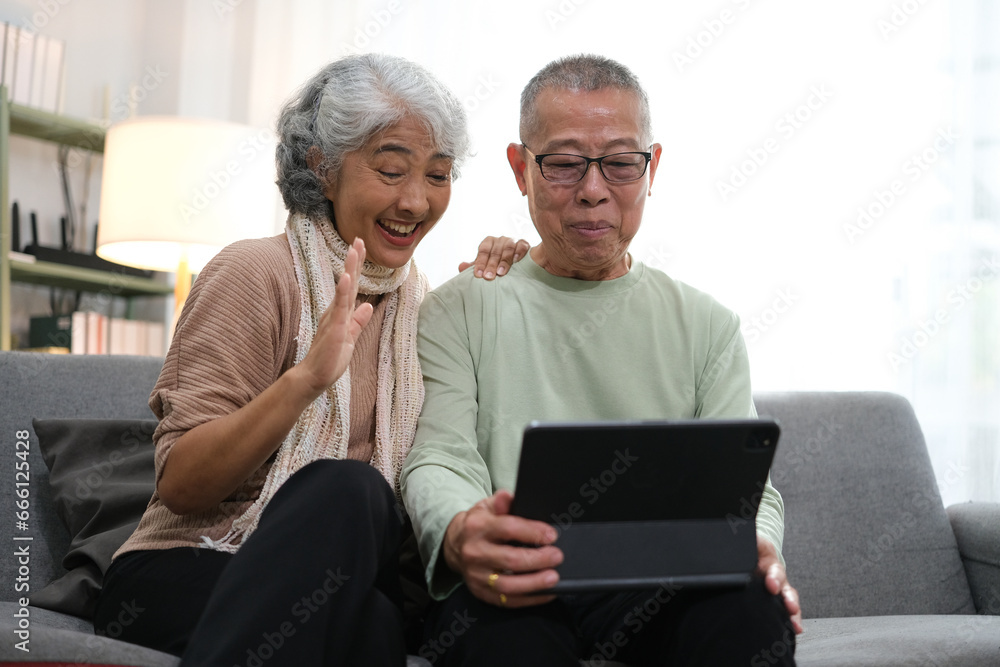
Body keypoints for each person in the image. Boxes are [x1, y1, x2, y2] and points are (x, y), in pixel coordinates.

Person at [93, 53, 527, 666]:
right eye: (391, 168)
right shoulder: (255, 272)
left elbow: (458, 461)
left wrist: (517, 291)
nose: (415, 201)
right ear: (322, 168)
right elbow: (183, 484)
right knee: (351, 493)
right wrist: (305, 380)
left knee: (378, 616)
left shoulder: (423, 308)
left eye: (437, 175)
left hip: (345, 584)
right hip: (192, 566)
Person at [400, 54, 802, 666]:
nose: (593, 191)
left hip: (662, 582)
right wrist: (459, 532)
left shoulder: (708, 325)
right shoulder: (460, 309)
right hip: (519, 574)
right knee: (498, 642)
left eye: (619, 164)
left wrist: (760, 547)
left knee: (749, 610)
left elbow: (752, 490)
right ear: (520, 169)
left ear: (652, 166)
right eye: (563, 165)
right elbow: (440, 455)